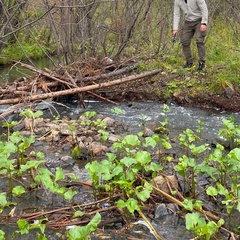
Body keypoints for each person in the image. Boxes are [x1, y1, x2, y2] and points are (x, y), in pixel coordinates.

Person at [173, 0, 208, 71]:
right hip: (188, 21)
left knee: (199, 40)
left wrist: (204, 23)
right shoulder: (177, 1)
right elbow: (176, 14)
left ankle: (202, 63)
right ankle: (189, 62)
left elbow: (204, 9)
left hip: (199, 20)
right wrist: (175, 28)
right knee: (184, 41)